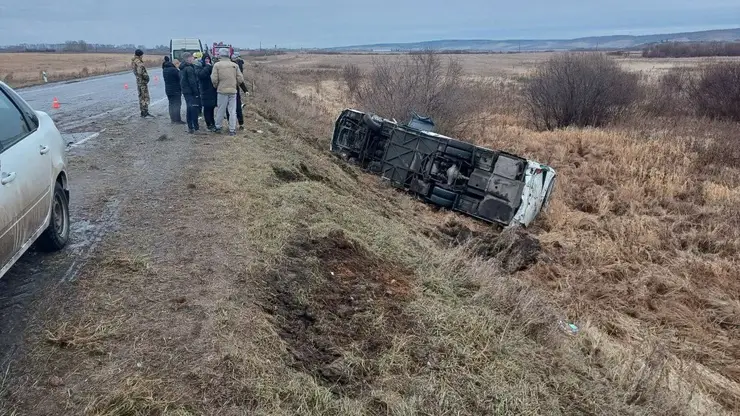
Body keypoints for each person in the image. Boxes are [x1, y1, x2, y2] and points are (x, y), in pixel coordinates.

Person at [211, 48, 244, 136]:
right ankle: (232, 129)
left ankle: (218, 126)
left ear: (220, 55)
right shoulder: (235, 65)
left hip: (222, 90)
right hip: (233, 90)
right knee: (232, 110)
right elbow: (240, 79)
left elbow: (214, 79)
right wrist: (234, 83)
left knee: (221, 109)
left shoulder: (217, 65)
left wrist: (216, 86)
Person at [179, 52, 203, 134]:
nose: (193, 59)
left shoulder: (182, 68)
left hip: (186, 91)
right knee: (194, 109)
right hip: (191, 92)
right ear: (188, 59)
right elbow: (192, 82)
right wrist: (196, 93)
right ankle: (196, 128)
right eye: (192, 58)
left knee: (189, 109)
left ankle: (190, 127)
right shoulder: (189, 68)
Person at [198, 56, 218, 131]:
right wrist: (207, 67)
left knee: (211, 107)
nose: (207, 60)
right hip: (205, 90)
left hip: (212, 90)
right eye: (205, 59)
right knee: (207, 108)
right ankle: (208, 124)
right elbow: (201, 75)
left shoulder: (212, 67)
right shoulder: (200, 67)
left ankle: (213, 123)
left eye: (208, 59)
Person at [162, 57, 184, 124]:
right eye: (178, 64)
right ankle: (177, 120)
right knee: (177, 104)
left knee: (171, 104)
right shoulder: (175, 70)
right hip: (176, 90)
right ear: (176, 64)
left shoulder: (165, 69)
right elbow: (180, 79)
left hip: (168, 90)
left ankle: (173, 119)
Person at [131, 49, 152, 117]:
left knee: (141, 96)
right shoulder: (138, 62)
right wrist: (147, 77)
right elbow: (141, 71)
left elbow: (136, 72)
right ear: (140, 55)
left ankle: (143, 111)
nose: (143, 56)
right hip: (142, 81)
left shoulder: (134, 61)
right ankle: (144, 112)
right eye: (142, 55)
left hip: (138, 81)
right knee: (144, 96)